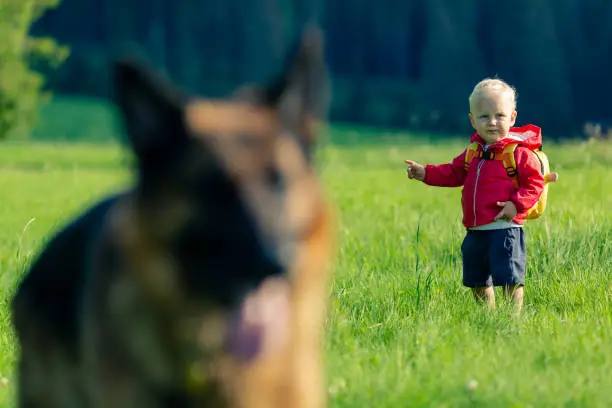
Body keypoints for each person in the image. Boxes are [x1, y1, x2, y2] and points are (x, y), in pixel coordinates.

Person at [404, 78, 545, 313]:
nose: (492, 122)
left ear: (512, 118)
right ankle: (487, 316)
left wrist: (517, 205)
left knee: (509, 277)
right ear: (472, 121)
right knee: (477, 279)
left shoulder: (518, 153)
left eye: (500, 116)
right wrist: (425, 173)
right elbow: (452, 172)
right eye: (484, 116)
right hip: (475, 230)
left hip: (505, 228)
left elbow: (534, 183)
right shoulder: (473, 152)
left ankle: (513, 317)